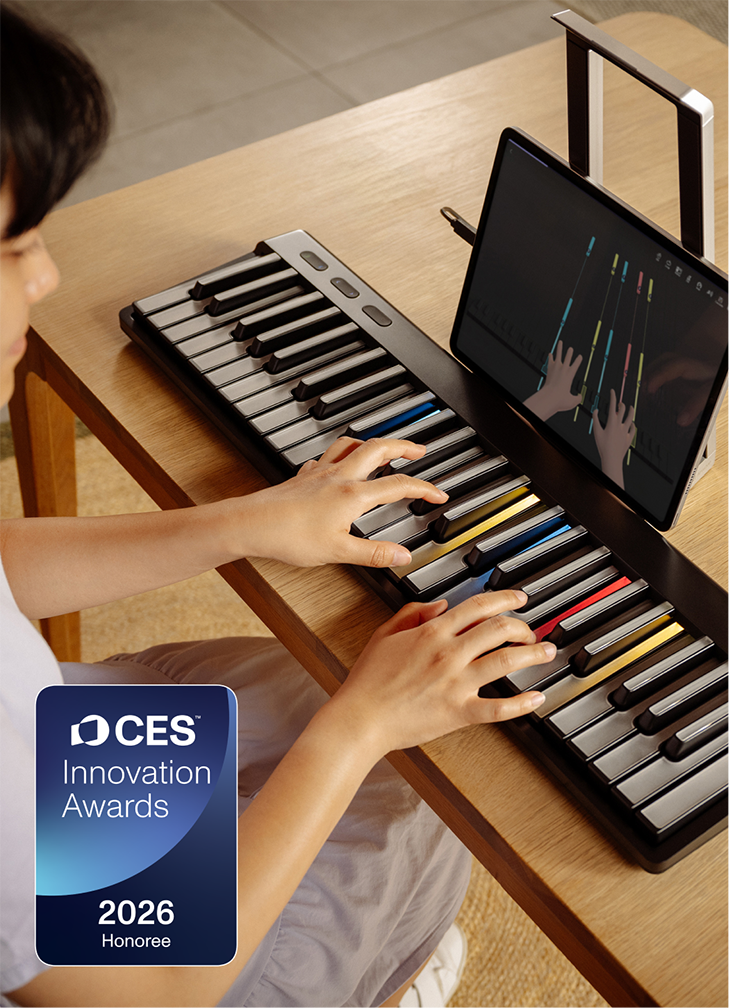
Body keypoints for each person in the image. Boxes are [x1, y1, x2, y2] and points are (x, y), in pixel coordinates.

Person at [0, 5, 554, 1007]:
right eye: (9, 250)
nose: (44, 275)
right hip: (130, 964)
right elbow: (152, 991)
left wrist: (253, 521)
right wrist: (359, 728)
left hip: (43, 738)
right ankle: (380, 976)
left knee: (346, 691)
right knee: (408, 767)